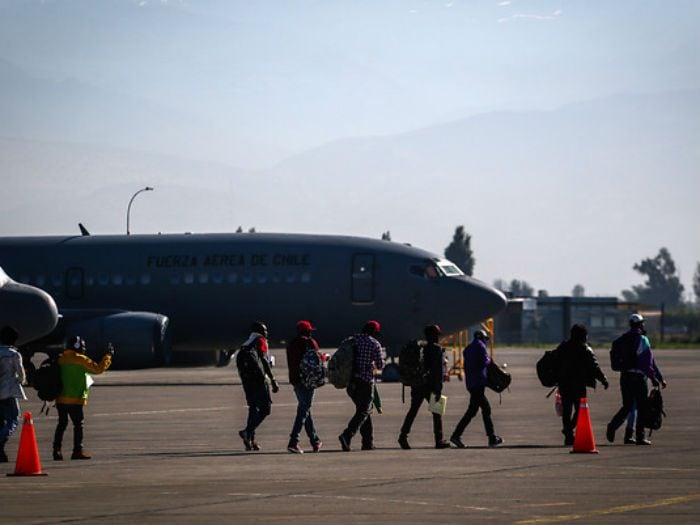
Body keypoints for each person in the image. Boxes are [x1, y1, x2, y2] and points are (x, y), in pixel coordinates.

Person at [607, 314, 664, 446]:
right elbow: (647, 363)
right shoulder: (642, 339)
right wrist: (654, 378)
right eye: (642, 323)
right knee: (642, 406)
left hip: (625, 376)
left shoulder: (622, 339)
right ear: (639, 325)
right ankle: (640, 437)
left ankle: (613, 426)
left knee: (627, 406)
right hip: (638, 378)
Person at [53, 336, 113, 460]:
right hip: (75, 399)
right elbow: (98, 369)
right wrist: (107, 357)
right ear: (78, 347)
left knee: (61, 424)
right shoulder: (81, 359)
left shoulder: (61, 359)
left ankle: (57, 450)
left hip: (60, 399)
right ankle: (77, 451)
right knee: (78, 425)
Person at [553, 324, 609, 446]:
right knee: (580, 410)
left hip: (565, 384)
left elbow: (555, 363)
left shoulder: (563, 347)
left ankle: (568, 435)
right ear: (583, 336)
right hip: (579, 385)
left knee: (567, 411)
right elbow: (594, 367)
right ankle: (569, 430)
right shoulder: (585, 349)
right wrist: (603, 379)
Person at [398, 324, 450, 450]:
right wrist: (438, 389)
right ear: (434, 336)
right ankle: (439, 440)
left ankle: (403, 436)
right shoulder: (436, 349)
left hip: (418, 384)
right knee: (437, 413)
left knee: (413, 411)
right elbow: (437, 372)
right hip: (431, 386)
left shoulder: (422, 348)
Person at [450, 330, 503, 448]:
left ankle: (457, 436)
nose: (486, 341)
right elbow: (485, 362)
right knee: (486, 409)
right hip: (478, 383)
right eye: (485, 339)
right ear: (482, 338)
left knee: (472, 411)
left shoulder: (468, 348)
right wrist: (490, 361)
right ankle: (491, 438)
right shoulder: (480, 346)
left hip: (471, 383)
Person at [338, 320, 384, 452]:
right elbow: (380, 365)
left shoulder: (352, 340)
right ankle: (347, 435)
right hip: (365, 382)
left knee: (364, 411)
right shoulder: (374, 344)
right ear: (374, 332)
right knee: (364, 411)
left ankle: (367, 442)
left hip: (351, 383)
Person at [236, 321, 279, 451]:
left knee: (253, 408)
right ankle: (247, 431)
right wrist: (273, 379)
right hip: (258, 379)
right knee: (266, 408)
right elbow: (264, 361)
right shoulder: (260, 340)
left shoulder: (247, 343)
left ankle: (251, 440)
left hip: (246, 380)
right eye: (264, 330)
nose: (266, 333)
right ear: (260, 331)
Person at [285, 320, 323, 454]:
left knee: (305, 409)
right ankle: (293, 441)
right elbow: (318, 358)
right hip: (308, 380)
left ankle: (315, 440)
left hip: (296, 380)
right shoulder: (309, 342)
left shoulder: (291, 344)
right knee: (303, 410)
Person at [623, 361, 667, 444]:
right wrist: (659, 379)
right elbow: (651, 364)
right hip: (640, 381)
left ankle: (628, 434)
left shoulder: (629, 348)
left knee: (632, 407)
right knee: (641, 408)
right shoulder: (644, 348)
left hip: (627, 379)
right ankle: (640, 436)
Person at [0, 326, 26, 463]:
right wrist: (20, 381)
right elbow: (21, 375)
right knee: (13, 420)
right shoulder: (13, 354)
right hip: (8, 392)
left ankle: (1, 452)